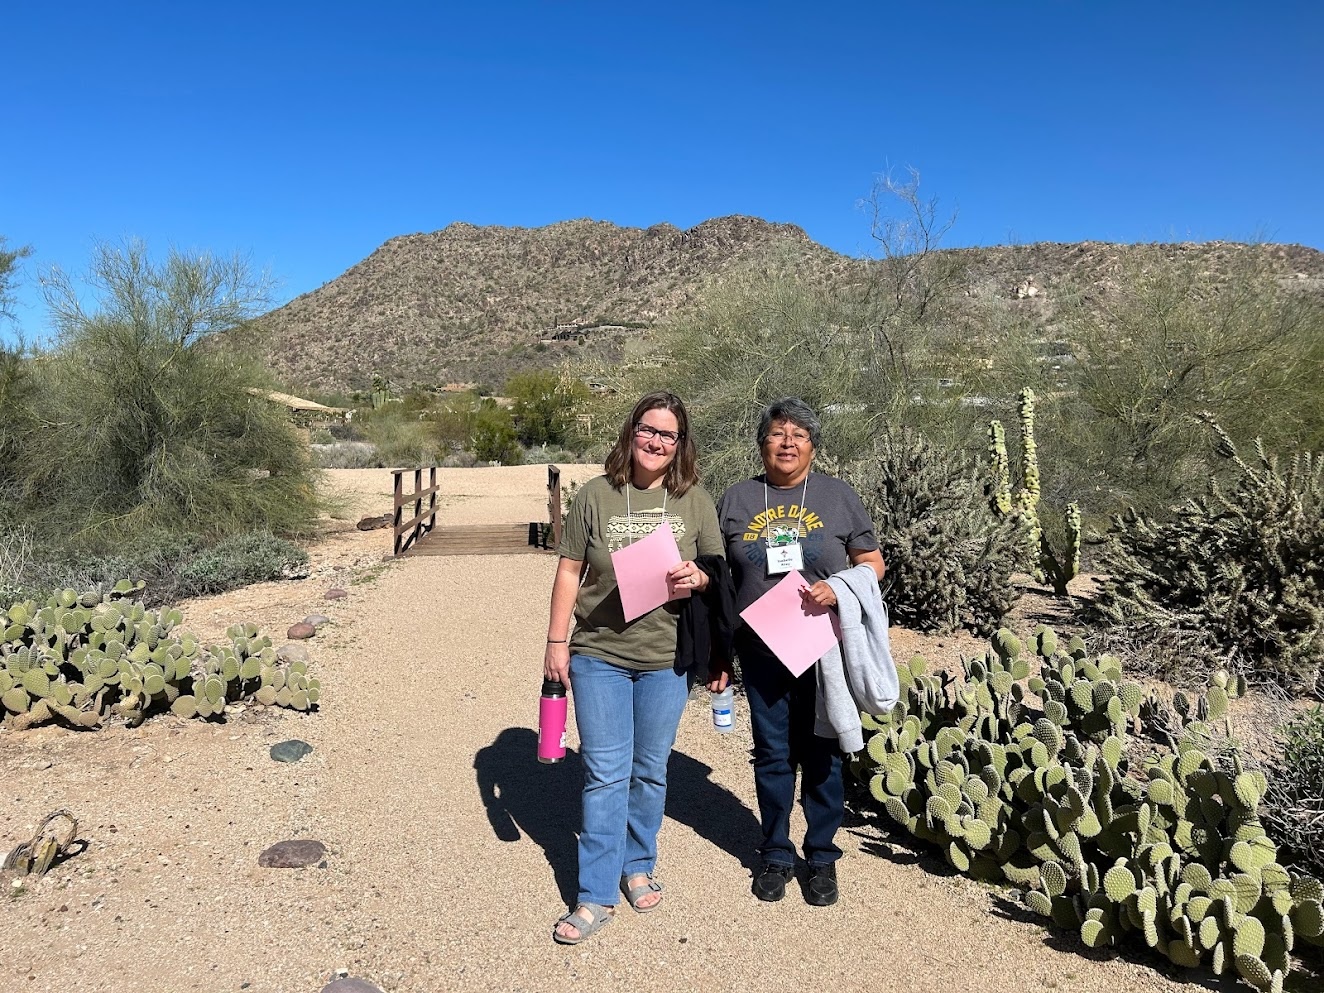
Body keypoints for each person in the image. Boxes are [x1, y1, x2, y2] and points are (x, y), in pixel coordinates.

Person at [544, 390, 724, 944]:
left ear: (680, 444)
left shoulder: (694, 499)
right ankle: (594, 894)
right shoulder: (596, 496)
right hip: (599, 650)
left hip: (665, 656)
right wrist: (555, 642)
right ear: (632, 432)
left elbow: (715, 569)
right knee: (604, 772)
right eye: (649, 430)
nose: (656, 441)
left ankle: (638, 862)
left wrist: (698, 579)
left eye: (668, 434)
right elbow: (571, 568)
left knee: (650, 768)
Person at [712, 397, 885, 906]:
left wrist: (841, 587)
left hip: (822, 646)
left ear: (812, 446)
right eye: (777, 434)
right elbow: (718, 578)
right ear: (761, 444)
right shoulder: (739, 498)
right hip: (760, 648)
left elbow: (873, 562)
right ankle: (775, 853)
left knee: (822, 751)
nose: (787, 443)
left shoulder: (837, 496)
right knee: (772, 752)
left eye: (799, 435)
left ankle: (823, 855)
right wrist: (718, 650)